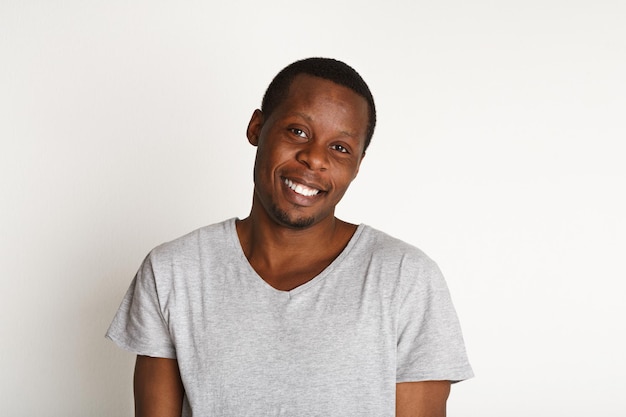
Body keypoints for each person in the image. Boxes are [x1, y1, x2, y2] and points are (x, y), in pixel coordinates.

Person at [106, 57, 473, 417]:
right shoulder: (173, 272)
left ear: (358, 164)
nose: (314, 158)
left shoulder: (405, 279)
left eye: (340, 147)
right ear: (256, 128)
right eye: (297, 131)